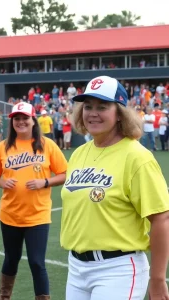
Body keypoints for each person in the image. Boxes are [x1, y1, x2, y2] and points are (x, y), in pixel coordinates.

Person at [60, 75, 169, 300]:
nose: (93, 113)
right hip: (77, 268)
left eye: (103, 106)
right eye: (87, 106)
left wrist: (157, 279)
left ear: (120, 113)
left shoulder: (137, 157)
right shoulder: (80, 153)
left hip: (117, 269)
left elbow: (161, 219)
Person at [0, 102, 67, 300]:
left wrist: (45, 182)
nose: (21, 122)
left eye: (25, 118)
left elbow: (65, 174)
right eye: (17, 118)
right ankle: (4, 296)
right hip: (10, 215)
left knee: (36, 262)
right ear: (12, 122)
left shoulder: (47, 145)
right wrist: (3, 182)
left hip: (38, 216)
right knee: (11, 259)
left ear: (34, 120)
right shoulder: (3, 147)